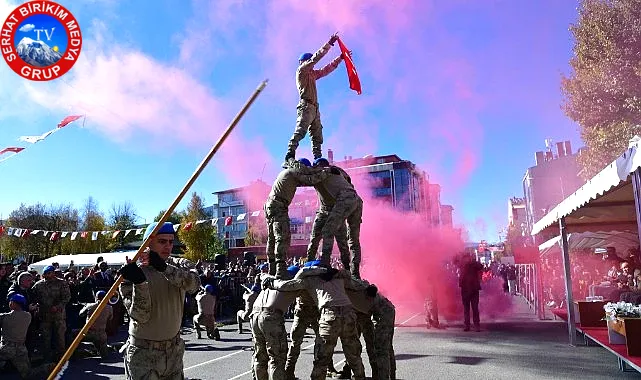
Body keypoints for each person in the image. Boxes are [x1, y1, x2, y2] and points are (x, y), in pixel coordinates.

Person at [118, 221, 201, 380]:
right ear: (148, 243)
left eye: (171, 242)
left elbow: (193, 285)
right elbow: (140, 315)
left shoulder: (179, 264)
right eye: (162, 241)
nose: (168, 246)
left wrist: (163, 267)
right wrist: (140, 283)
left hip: (173, 352)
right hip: (144, 354)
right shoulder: (132, 271)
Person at [263, 261, 366, 380]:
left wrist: (270, 281)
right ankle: (359, 376)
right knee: (354, 355)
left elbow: (286, 285)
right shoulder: (338, 278)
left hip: (329, 315)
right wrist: (334, 272)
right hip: (348, 315)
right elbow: (357, 285)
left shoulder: (309, 281)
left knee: (322, 357)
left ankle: (321, 372)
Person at [284, 33, 344, 165]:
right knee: (301, 131)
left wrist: (340, 59)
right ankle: (290, 153)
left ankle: (318, 159)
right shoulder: (302, 71)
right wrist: (329, 44)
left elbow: (326, 70)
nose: (312, 65)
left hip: (314, 108)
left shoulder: (312, 74)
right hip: (305, 107)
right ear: (303, 62)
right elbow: (315, 59)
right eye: (309, 61)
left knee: (317, 135)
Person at [264, 159, 330, 277]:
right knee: (282, 237)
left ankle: (272, 268)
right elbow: (310, 180)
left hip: (271, 204)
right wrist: (326, 172)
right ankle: (280, 270)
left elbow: (301, 182)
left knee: (272, 238)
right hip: (279, 205)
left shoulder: (287, 172)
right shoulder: (294, 171)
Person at [314, 158, 364, 278]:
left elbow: (306, 178)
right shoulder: (339, 171)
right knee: (353, 240)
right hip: (357, 200)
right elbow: (349, 181)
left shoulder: (323, 172)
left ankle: (325, 266)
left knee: (328, 230)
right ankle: (354, 273)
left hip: (345, 200)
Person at [250, 265, 300, 380]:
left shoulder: (271, 281)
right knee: (277, 359)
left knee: (260, 356)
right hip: (270, 317)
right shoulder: (291, 285)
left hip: (255, 316)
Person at [31, 264, 71, 361]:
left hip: (59, 315)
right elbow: (33, 297)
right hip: (44, 316)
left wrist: (58, 307)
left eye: (51, 273)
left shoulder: (62, 283)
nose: (49, 275)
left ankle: (61, 358)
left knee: (60, 337)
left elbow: (67, 297)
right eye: (47, 273)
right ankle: (47, 359)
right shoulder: (39, 285)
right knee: (45, 338)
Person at [78, 290, 113, 358]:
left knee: (71, 335)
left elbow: (80, 314)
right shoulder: (110, 308)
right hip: (102, 334)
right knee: (104, 355)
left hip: (89, 333)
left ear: (96, 297)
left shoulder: (90, 306)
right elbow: (110, 319)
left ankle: (74, 355)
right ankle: (101, 351)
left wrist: (86, 308)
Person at [459, 253, 484, 332]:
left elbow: (480, 266)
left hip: (473, 289)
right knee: (468, 308)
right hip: (466, 289)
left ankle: (475, 325)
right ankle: (468, 325)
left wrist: (472, 261)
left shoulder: (473, 264)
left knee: (474, 308)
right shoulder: (463, 265)